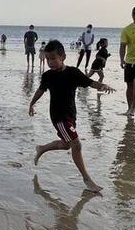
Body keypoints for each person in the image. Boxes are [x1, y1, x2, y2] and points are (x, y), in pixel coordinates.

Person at [29, 40, 115, 192]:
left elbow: (90, 82)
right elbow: (40, 91)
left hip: (70, 115)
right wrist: (31, 104)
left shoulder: (73, 73)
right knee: (77, 144)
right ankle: (87, 179)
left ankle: (42, 148)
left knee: (66, 144)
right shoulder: (48, 76)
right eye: (47, 59)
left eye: (53, 58)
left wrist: (103, 85)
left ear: (63, 57)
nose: (50, 62)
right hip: (58, 117)